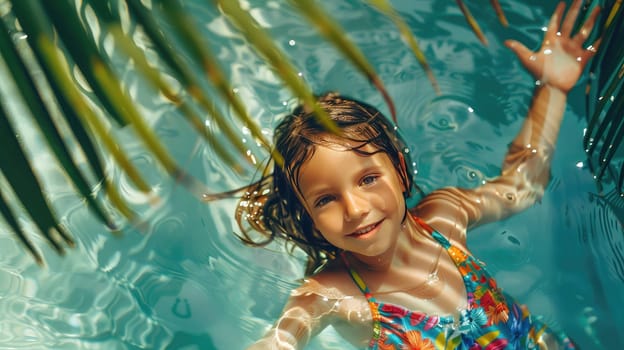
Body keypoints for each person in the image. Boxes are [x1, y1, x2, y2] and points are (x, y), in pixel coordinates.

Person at [235, 0, 601, 348]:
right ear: (310, 218)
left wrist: (553, 88)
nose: (355, 208)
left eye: (367, 179)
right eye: (326, 199)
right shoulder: (332, 294)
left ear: (398, 170)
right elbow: (279, 340)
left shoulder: (445, 218)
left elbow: (522, 186)